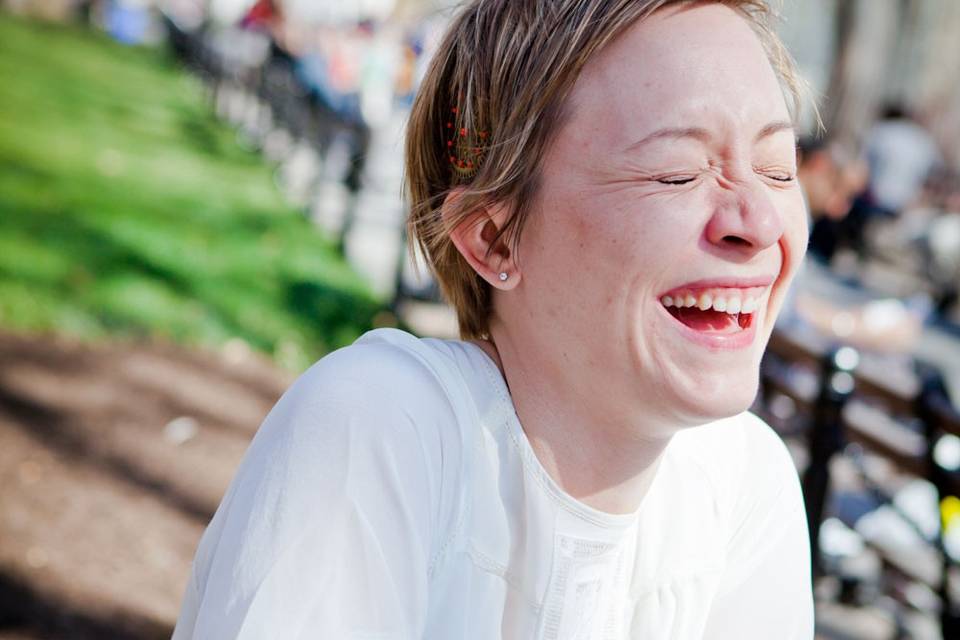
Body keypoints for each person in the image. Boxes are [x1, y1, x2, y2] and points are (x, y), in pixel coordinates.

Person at [173, 1, 814, 638]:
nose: (757, 224)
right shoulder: (380, 428)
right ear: (495, 240)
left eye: (777, 169)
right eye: (676, 174)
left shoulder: (744, 485)